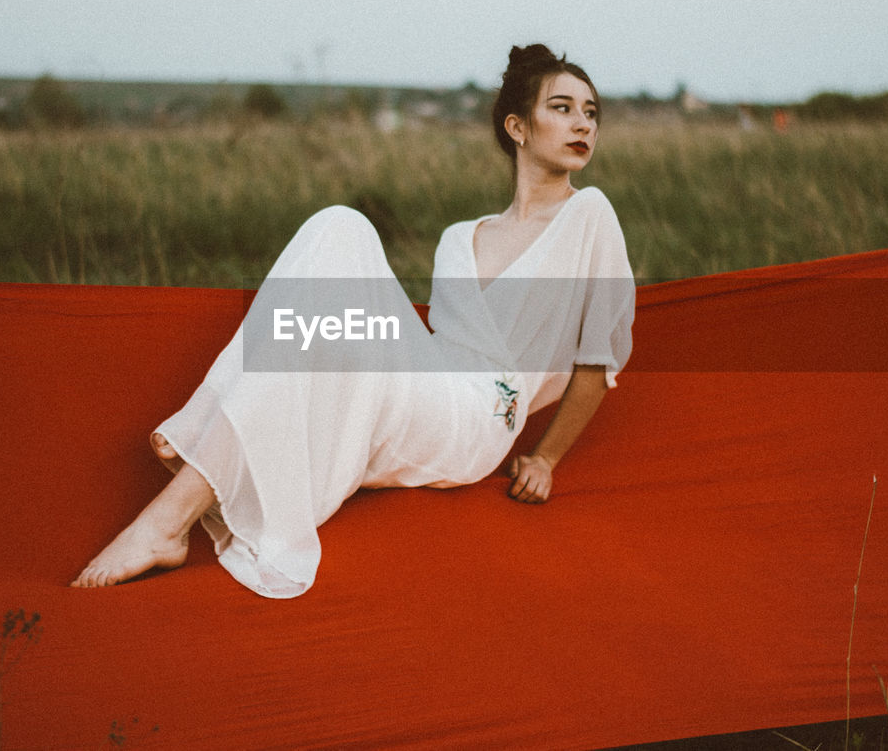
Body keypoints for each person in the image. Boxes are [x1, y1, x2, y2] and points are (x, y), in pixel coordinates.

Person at [71, 44, 635, 597]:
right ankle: (206, 453)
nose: (581, 123)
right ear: (517, 127)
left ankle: (171, 510)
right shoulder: (460, 239)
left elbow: (597, 359)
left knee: (328, 331)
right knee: (340, 228)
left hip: (474, 415)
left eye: (590, 112)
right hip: (426, 373)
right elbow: (431, 341)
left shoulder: (588, 215)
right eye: (561, 108)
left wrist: (546, 457)